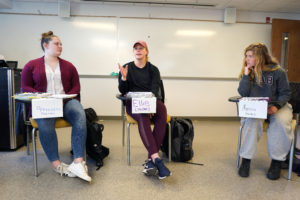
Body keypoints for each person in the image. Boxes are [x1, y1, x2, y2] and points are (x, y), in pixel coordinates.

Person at [21, 31, 91, 182]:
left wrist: (64, 98)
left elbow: (76, 88)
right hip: (44, 104)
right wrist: (43, 96)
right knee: (45, 124)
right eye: (56, 44)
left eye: (61, 44)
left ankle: (78, 162)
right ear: (45, 45)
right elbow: (25, 87)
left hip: (65, 102)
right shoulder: (31, 65)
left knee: (80, 114)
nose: (60, 46)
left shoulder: (69, 66)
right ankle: (56, 164)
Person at [237, 43, 293, 180]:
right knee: (251, 122)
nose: (247, 59)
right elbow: (243, 93)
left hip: (278, 105)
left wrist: (276, 107)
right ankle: (246, 160)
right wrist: (245, 75)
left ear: (260, 57)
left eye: (250, 56)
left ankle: (277, 162)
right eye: (246, 56)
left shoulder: (278, 72)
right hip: (257, 107)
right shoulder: (249, 71)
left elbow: (285, 93)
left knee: (280, 123)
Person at [118, 40, 171, 180]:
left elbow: (155, 89)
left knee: (162, 112)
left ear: (146, 51)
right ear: (133, 52)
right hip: (133, 103)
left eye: (141, 48)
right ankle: (156, 157)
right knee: (143, 115)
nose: (138, 50)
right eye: (135, 48)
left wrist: (151, 104)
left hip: (151, 101)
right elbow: (123, 91)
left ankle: (151, 161)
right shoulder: (126, 67)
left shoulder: (153, 69)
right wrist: (124, 78)